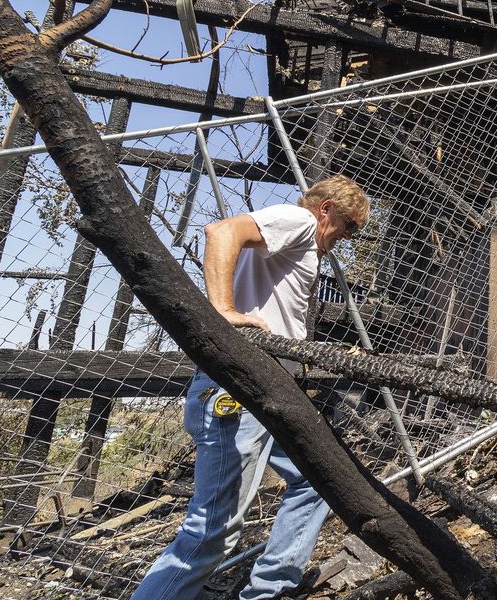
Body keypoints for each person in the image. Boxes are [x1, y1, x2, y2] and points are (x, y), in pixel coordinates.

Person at [133, 175, 370, 600]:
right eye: (351, 226)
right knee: (214, 530)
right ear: (327, 209)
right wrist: (222, 310)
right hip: (238, 391)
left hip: (269, 389)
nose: (349, 237)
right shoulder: (298, 219)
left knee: (317, 481)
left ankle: (268, 590)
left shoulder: (294, 243)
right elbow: (221, 231)